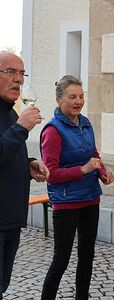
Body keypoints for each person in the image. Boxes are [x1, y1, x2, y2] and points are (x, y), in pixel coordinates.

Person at [40, 75, 114, 300]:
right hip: (66, 203)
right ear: (58, 100)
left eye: (81, 96)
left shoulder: (85, 122)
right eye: (72, 97)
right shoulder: (52, 131)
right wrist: (82, 170)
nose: (78, 101)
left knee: (87, 256)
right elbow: (50, 175)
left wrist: (102, 173)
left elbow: (94, 155)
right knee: (61, 260)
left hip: (91, 198)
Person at [0, 51, 49, 299]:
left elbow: (7, 157)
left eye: (21, 73)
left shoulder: (10, 113)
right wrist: (20, 129)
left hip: (12, 219)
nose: (18, 79)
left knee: (3, 285)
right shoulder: (16, 120)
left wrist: (28, 165)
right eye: (10, 72)